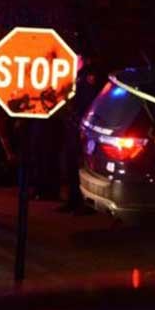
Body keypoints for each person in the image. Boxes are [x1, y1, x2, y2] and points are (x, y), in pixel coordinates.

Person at [57, 57, 101, 214]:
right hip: (72, 124)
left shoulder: (88, 75)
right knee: (71, 163)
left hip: (83, 126)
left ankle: (85, 203)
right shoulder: (72, 74)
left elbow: (89, 102)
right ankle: (73, 199)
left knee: (82, 165)